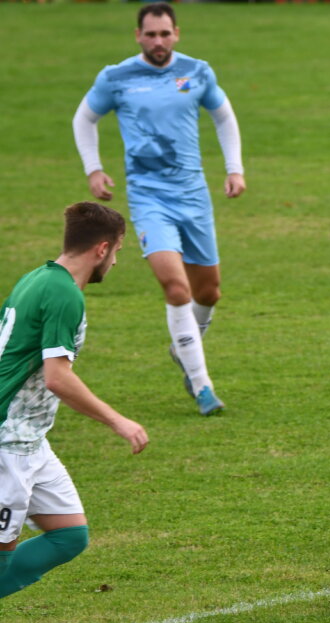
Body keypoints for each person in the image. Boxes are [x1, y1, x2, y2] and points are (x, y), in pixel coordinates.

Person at [72, 2, 246, 416]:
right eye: (150, 34)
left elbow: (224, 117)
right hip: (149, 197)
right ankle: (203, 386)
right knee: (176, 287)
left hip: (193, 195)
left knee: (209, 291)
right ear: (138, 37)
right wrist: (94, 169)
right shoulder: (117, 77)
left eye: (165, 34)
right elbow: (84, 119)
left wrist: (234, 169)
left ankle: (184, 350)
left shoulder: (197, 71)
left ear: (176, 34)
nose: (158, 42)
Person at [0, 202, 149, 600]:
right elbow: (57, 378)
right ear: (102, 249)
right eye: (118, 251)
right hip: (7, 443)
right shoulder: (64, 294)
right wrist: (119, 421)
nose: (116, 262)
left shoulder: (37, 278)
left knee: (69, 534)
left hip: (30, 439)